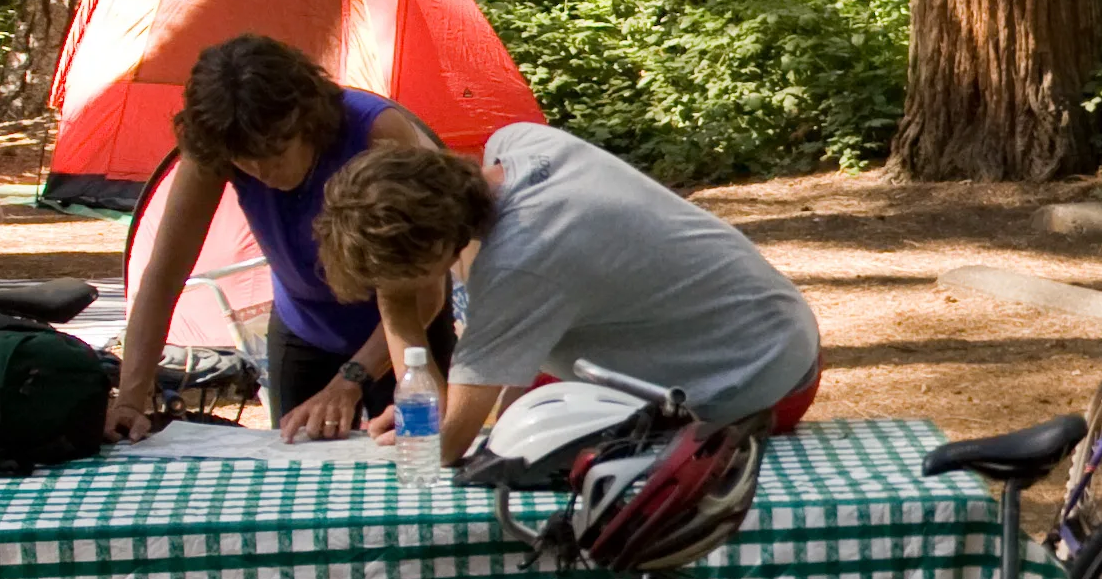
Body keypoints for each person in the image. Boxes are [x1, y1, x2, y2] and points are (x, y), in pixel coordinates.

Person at [313, 125, 824, 468]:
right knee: (517, 429)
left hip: (760, 378)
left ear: (433, 248)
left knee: (544, 461)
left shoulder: (521, 262)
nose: (389, 287)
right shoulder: (517, 143)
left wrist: (397, 308)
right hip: (764, 326)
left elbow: (440, 448)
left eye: (396, 272)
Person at [106, 37, 455, 443]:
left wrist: (352, 380)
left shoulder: (376, 133)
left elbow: (425, 287)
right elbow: (163, 276)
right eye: (243, 160)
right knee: (294, 464)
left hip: (405, 328)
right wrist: (129, 400)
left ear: (306, 119)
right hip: (302, 325)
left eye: (275, 152)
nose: (260, 170)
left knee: (417, 455)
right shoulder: (218, 144)